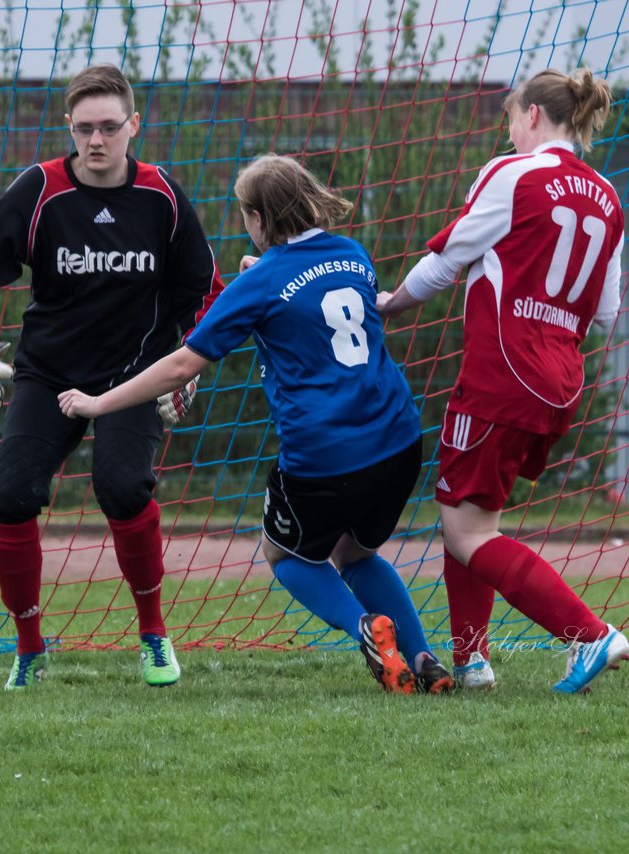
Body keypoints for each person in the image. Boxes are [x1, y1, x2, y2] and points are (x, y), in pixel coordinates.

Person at [60, 154, 454, 695]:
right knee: (355, 552)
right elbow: (309, 295)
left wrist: (99, 404)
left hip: (326, 453)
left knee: (284, 553)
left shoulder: (261, 283)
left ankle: (364, 629)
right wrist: (261, 274)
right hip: (399, 441)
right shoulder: (353, 255)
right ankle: (425, 659)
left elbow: (182, 365)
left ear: (260, 218)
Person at [0, 64, 224, 690]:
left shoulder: (163, 197)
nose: (96, 141)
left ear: (133, 126)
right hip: (47, 375)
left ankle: (153, 635)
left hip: (135, 376)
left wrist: (192, 365)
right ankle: (29, 648)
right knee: (12, 499)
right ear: (69, 129)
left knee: (122, 488)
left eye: (108, 127)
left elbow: (207, 293)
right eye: (83, 129)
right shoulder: (40, 189)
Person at [377, 67, 629, 694]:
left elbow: (443, 264)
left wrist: (390, 305)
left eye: (513, 117)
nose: (510, 130)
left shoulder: (511, 173)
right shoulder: (608, 197)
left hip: (502, 373)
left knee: (466, 529)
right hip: (559, 380)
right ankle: (472, 663)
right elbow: (605, 313)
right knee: (470, 513)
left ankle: (589, 633)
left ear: (534, 116)